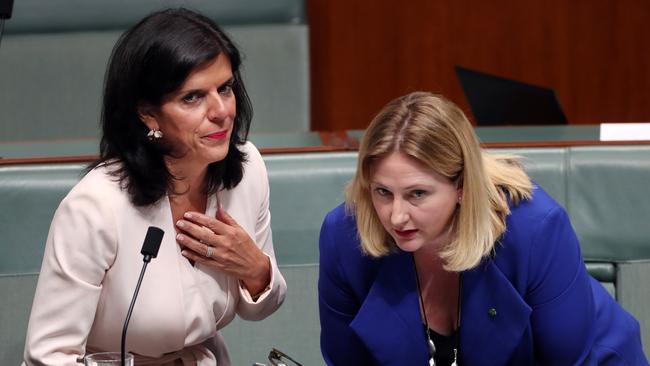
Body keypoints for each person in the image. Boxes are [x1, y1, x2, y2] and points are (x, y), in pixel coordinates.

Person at [23, 8, 286, 365]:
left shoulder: (248, 168)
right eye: (192, 97)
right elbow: (47, 358)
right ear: (148, 114)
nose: (221, 111)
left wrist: (256, 269)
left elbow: (260, 309)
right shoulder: (95, 206)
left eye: (225, 88)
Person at [318, 91, 648, 365]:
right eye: (382, 192)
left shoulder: (535, 228)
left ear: (462, 186)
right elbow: (345, 360)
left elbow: (567, 358)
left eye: (417, 194)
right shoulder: (344, 235)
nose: (396, 216)